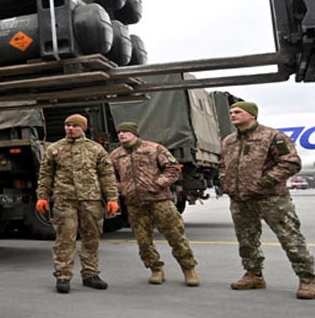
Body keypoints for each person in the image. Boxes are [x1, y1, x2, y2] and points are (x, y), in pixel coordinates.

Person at [219, 101, 315, 300]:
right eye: (230, 112)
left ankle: (307, 279)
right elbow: (223, 166)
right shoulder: (229, 141)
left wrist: (263, 183)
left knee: (290, 238)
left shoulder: (273, 136)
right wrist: (226, 183)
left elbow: (290, 163)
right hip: (241, 200)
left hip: (271, 198)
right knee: (246, 240)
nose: (232, 115)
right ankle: (253, 275)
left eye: (238, 112)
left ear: (252, 115)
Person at [108, 122, 200, 286]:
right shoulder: (115, 155)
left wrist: (159, 183)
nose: (122, 135)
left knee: (175, 236)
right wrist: (121, 188)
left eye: (126, 132)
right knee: (143, 241)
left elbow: (173, 168)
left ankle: (188, 269)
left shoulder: (154, 148)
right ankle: (155, 269)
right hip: (135, 204)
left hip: (160, 201)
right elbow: (110, 177)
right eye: (119, 132)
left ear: (135, 133)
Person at [35, 114, 119, 293]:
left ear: (83, 128)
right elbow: (45, 175)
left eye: (74, 125)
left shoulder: (95, 149)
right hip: (65, 200)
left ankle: (90, 274)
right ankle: (63, 276)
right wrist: (42, 196)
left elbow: (107, 175)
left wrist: (112, 198)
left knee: (91, 238)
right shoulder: (55, 149)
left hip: (91, 200)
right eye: (67, 125)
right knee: (65, 239)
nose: (70, 128)